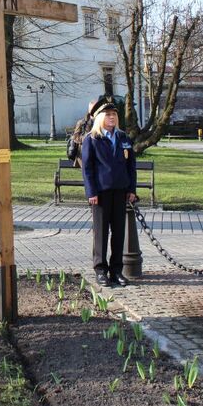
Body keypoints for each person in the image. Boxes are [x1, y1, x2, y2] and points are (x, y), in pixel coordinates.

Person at [81, 97, 136, 288]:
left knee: (119, 233)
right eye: (108, 115)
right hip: (101, 194)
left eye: (114, 115)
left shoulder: (123, 138)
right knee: (101, 233)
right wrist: (91, 192)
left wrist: (131, 189)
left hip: (120, 191)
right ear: (99, 117)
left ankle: (116, 271)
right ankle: (100, 270)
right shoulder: (92, 139)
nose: (112, 118)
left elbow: (131, 167)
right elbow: (87, 169)